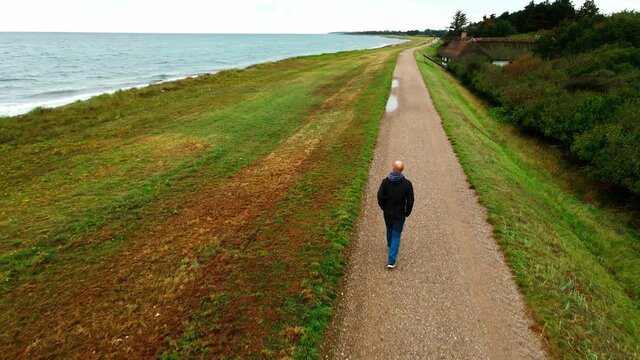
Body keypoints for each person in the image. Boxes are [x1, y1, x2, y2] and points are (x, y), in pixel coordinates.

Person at [377, 160, 414, 269]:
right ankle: (391, 261)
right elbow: (410, 201)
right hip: (399, 214)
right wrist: (407, 212)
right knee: (396, 235)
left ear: (392, 168)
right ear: (401, 171)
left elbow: (379, 198)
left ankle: (390, 244)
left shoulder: (385, 182)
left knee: (389, 228)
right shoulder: (407, 184)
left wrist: (384, 207)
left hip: (388, 212)